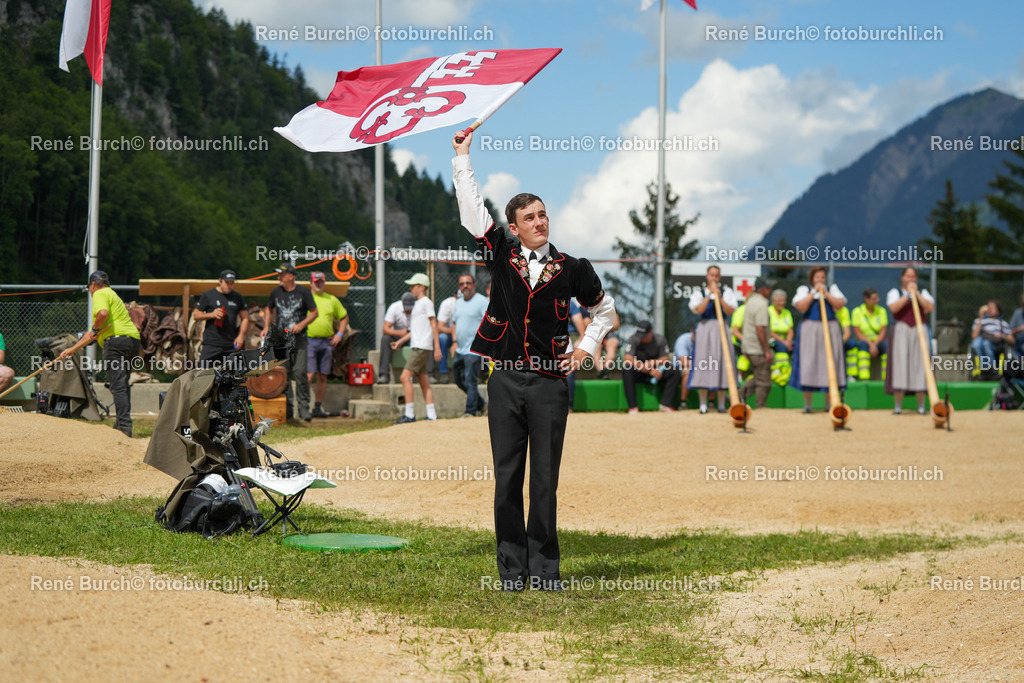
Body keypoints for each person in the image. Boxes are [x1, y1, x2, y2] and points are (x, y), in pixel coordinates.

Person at [453, 130, 615, 592]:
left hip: (549, 386)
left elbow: (604, 311)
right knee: (507, 480)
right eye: (530, 217)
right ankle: (511, 570)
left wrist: (584, 350)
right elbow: (472, 213)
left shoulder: (574, 267)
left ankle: (545, 571)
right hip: (503, 381)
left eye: (544, 214)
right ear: (515, 226)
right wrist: (463, 157)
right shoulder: (500, 254)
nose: (540, 222)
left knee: (544, 482)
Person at [59, 271, 141, 436]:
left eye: (90, 288)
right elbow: (91, 334)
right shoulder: (112, 294)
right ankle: (121, 424)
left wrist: (96, 328)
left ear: (93, 285)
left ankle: (124, 428)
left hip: (115, 343)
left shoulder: (99, 294)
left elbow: (101, 315)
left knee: (118, 386)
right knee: (122, 385)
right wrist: (72, 350)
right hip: (132, 341)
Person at [263, 264, 318, 422]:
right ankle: (286, 410)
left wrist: (301, 325)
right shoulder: (276, 292)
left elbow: (314, 312)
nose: (279, 277)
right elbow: (268, 309)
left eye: (282, 274)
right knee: (282, 374)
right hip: (281, 340)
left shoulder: (303, 292)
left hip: (299, 339)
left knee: (300, 372)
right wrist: (266, 327)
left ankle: (303, 409)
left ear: (290, 276)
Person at [789, 266, 847, 413]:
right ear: (812, 279)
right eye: (817, 278)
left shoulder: (832, 289)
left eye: (822, 277)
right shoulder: (804, 290)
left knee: (829, 365)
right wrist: (814, 292)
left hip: (830, 328)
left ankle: (830, 404)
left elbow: (840, 305)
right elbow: (801, 307)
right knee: (809, 364)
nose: (820, 280)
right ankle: (808, 405)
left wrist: (825, 292)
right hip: (810, 330)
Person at [687, 265, 738, 414]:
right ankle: (703, 404)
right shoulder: (699, 293)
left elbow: (730, 310)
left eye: (716, 276)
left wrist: (719, 297)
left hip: (721, 328)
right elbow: (699, 310)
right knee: (704, 362)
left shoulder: (727, 292)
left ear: (719, 277)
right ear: (707, 276)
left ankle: (721, 404)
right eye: (711, 275)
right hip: (705, 329)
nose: (714, 278)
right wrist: (709, 296)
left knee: (722, 363)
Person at [393, 273, 442, 424]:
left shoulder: (426, 302)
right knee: (423, 380)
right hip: (419, 345)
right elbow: (416, 330)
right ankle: (431, 414)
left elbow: (434, 324)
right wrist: (400, 341)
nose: (411, 288)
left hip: (422, 347)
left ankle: (409, 414)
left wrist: (437, 347)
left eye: (413, 286)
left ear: (422, 287)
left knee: (404, 377)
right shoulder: (418, 305)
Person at [885, 266, 934, 415]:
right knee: (900, 365)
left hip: (919, 330)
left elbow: (929, 307)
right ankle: (898, 406)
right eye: (908, 276)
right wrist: (907, 295)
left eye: (913, 277)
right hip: (902, 329)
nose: (910, 279)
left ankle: (921, 406)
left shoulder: (924, 293)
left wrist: (917, 294)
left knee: (921, 364)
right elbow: (894, 308)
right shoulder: (895, 293)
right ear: (902, 278)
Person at [306, 271, 348, 418]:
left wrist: (340, 334)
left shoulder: (332, 299)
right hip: (309, 340)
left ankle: (317, 407)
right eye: (316, 282)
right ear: (311, 283)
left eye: (321, 281)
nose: (318, 284)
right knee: (309, 374)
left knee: (323, 375)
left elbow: (343, 317)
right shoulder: (307, 298)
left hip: (327, 341)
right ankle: (304, 406)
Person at [451, 273, 489, 417]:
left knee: (470, 381)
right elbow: (454, 323)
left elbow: (488, 323)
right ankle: (480, 403)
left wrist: (486, 346)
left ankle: (470, 411)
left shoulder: (482, 301)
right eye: (461, 284)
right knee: (458, 381)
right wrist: (454, 342)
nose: (465, 286)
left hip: (474, 350)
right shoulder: (458, 302)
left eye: (468, 283)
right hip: (460, 349)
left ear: (474, 284)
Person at [192, 269, 248, 367]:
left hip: (231, 343)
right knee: (203, 372)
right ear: (220, 281)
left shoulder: (237, 297)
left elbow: (245, 318)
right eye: (227, 282)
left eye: (232, 283)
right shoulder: (208, 295)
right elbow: (196, 315)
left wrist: (241, 336)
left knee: (233, 373)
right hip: (211, 343)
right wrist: (211, 314)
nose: (229, 285)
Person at [622, 320, 680, 413]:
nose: (641, 338)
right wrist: (644, 367)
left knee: (674, 371)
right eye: (639, 335)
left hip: (657, 372)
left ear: (651, 332)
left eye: (644, 335)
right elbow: (628, 358)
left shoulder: (660, 339)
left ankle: (666, 405)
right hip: (640, 372)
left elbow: (665, 359)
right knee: (627, 369)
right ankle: (633, 407)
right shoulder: (633, 339)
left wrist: (652, 363)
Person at [738, 278, 775, 408]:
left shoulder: (751, 301)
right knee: (764, 380)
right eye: (768, 288)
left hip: (749, 346)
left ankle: (737, 397)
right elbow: (760, 329)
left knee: (759, 377)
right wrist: (767, 350)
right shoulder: (761, 303)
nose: (770, 291)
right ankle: (761, 406)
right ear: (762, 289)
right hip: (757, 347)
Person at [850, 287, 888, 381]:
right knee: (861, 345)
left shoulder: (882, 311)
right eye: (874, 298)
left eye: (878, 298)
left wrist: (875, 343)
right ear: (866, 299)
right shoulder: (857, 311)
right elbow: (857, 332)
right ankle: (863, 378)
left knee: (887, 345)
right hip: (864, 342)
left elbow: (883, 331)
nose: (877, 300)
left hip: (878, 342)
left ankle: (886, 378)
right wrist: (871, 344)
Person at [379, 292, 415, 384]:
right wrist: (399, 333)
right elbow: (385, 329)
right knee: (385, 339)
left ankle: (428, 375)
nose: (408, 311)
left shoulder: (419, 308)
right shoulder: (394, 307)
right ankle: (383, 375)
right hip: (398, 335)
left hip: (413, 336)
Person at [971, 300, 1013, 376]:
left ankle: (992, 368)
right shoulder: (979, 321)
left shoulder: (1003, 323)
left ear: (998, 312)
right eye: (988, 307)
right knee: (977, 344)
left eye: (992, 308)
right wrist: (981, 317)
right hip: (981, 342)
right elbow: (974, 336)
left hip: (996, 345)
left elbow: (1012, 340)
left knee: (986, 343)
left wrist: (1002, 336)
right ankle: (984, 367)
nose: (989, 310)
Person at [768, 289, 794, 387]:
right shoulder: (768, 311)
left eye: (784, 300)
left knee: (797, 346)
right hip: (772, 340)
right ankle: (781, 373)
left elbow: (790, 329)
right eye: (780, 301)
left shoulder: (786, 312)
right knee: (781, 347)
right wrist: (784, 342)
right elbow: (769, 331)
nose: (782, 303)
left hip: (785, 340)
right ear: (773, 301)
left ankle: (793, 374)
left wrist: (788, 341)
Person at [436, 288, 457, 383]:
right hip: (449, 334)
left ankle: (475, 373)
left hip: (465, 335)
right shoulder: (447, 304)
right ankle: (443, 372)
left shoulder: (473, 303)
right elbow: (439, 327)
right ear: (455, 296)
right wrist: (454, 334)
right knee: (442, 338)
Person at [836, 304, 857, 381]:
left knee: (851, 344)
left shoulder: (843, 310)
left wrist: (838, 343)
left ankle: (850, 375)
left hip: (839, 341)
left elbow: (847, 333)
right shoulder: (820, 308)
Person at [673, 330, 693, 409]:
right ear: (692, 332)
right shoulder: (683, 340)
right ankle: (682, 403)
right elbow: (684, 362)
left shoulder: (704, 341)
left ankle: (710, 403)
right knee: (687, 371)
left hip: (698, 367)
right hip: (678, 369)